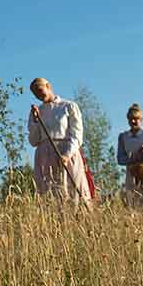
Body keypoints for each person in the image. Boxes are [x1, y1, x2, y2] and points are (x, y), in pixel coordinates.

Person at [26, 78, 92, 208]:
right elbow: (33, 141)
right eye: (35, 94)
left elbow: (77, 134)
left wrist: (67, 154)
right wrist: (35, 120)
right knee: (51, 196)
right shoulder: (37, 112)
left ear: (48, 86)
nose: (39, 95)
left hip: (66, 154)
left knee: (73, 193)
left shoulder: (68, 106)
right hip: (45, 158)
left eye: (40, 90)